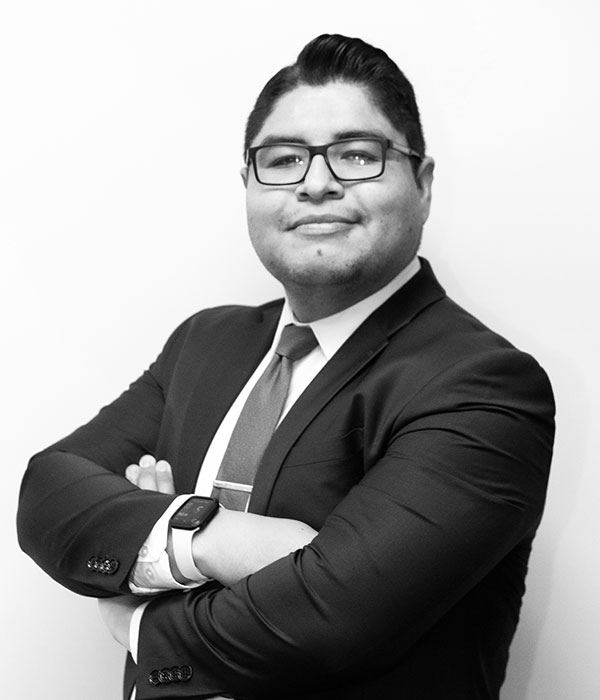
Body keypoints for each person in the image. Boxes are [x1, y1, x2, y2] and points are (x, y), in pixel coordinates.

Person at [17, 33, 555, 700]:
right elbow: (49, 493)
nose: (317, 182)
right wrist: (207, 539)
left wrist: (142, 612)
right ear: (249, 184)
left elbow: (335, 618)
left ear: (421, 183)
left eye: (357, 155)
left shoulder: (483, 384)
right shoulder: (204, 343)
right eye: (284, 159)